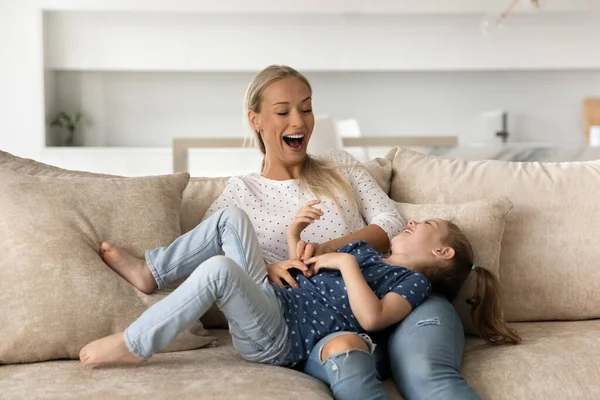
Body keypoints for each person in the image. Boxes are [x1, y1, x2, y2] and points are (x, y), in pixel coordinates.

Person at [201, 64, 487, 399]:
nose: (299, 121)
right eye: (283, 111)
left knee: (427, 376)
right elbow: (204, 261)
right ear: (255, 120)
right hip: (324, 326)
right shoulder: (239, 194)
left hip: (400, 299)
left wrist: (330, 252)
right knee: (347, 359)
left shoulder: (340, 165)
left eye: (306, 108)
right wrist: (265, 269)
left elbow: (390, 223)